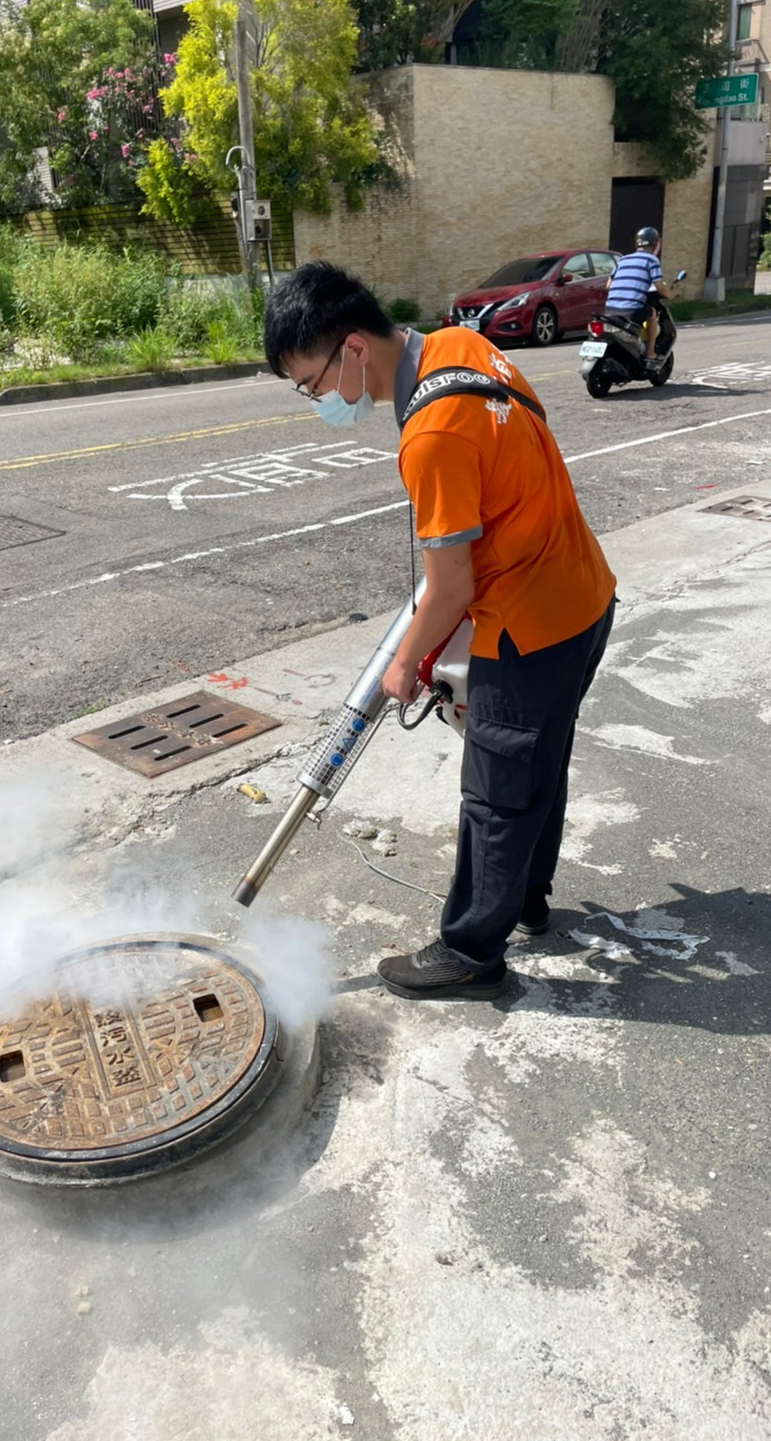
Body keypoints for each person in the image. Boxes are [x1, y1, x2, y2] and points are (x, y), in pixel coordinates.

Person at [263, 261, 616, 1002]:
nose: (319, 400)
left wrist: (404, 664)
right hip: (583, 593)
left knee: (495, 795)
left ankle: (470, 953)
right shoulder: (461, 345)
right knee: (539, 765)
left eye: (312, 384)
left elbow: (450, 585)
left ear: (352, 348)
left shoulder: (431, 434)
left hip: (529, 623)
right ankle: (527, 900)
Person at [605, 227, 674, 366]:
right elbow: (659, 286)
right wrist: (670, 295)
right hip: (631, 310)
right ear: (656, 243)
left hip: (609, 310)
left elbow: (608, 286)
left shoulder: (622, 260)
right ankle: (650, 352)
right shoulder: (652, 260)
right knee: (652, 313)